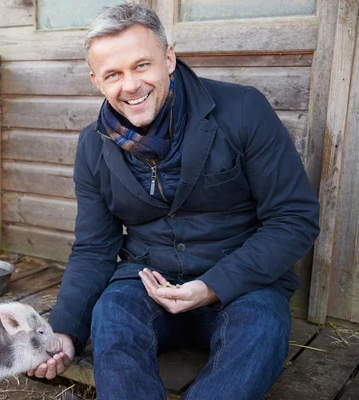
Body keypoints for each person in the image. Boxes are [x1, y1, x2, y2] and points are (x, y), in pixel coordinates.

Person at [27, 4, 320, 399]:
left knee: (262, 332)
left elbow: (294, 218)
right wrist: (63, 330)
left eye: (141, 65)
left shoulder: (243, 110)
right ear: (97, 81)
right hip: (147, 281)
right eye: (114, 74)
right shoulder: (92, 146)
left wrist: (212, 285)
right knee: (110, 317)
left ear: (168, 58)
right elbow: (95, 248)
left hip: (243, 284)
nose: (130, 85)